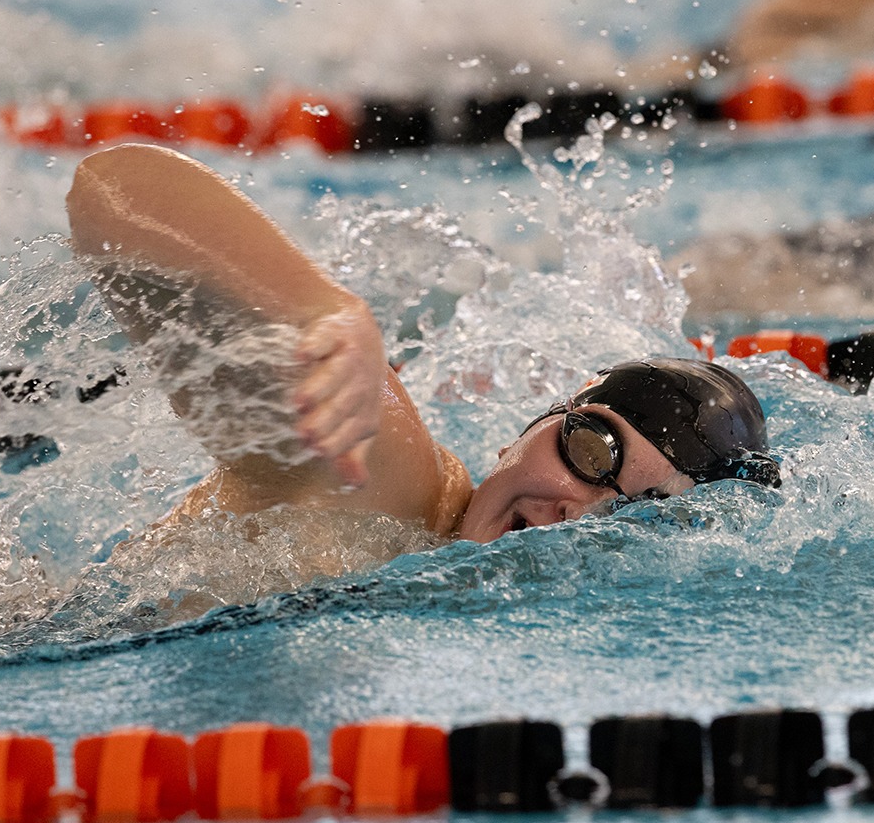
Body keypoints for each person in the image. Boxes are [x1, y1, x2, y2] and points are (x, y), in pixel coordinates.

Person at [65, 144, 779, 555]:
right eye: (592, 452)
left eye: (629, 514)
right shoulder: (385, 476)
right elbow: (112, 189)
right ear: (529, 429)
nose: (578, 510)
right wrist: (324, 311)